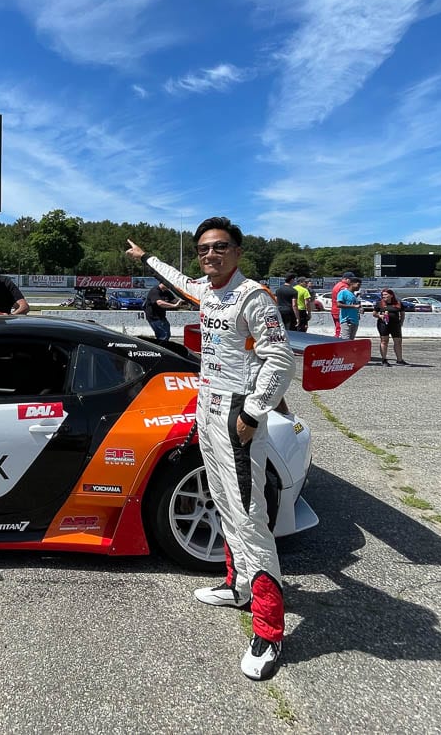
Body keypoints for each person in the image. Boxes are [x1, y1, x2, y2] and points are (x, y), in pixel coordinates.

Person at [125, 217, 294, 682]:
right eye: (203, 249)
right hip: (207, 406)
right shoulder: (208, 291)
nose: (209, 255)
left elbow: (281, 360)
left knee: (248, 516)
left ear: (237, 252)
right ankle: (238, 586)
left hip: (238, 415)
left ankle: (269, 630)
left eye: (219, 248)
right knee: (221, 502)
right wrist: (148, 259)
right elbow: (180, 281)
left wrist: (254, 411)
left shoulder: (254, 296)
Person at [374, 288, 407, 365]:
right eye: (383, 295)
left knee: (398, 342)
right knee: (384, 341)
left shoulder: (398, 303)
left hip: (395, 325)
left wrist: (401, 322)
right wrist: (380, 316)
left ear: (391, 295)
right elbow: (374, 314)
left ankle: (399, 360)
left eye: (386, 294)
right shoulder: (380, 303)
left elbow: (402, 314)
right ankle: (384, 359)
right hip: (383, 324)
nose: (384, 296)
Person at [330, 272, 353, 337]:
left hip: (335, 310)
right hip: (341, 311)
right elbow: (346, 299)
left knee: (338, 330)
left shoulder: (338, 284)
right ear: (347, 279)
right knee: (341, 331)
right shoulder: (344, 286)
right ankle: (337, 345)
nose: (352, 281)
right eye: (351, 279)